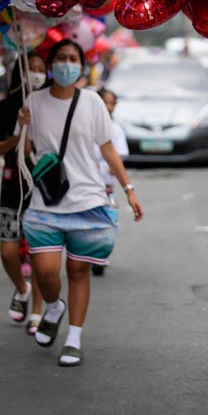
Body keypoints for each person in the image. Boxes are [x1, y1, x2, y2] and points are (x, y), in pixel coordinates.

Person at [23, 39, 143, 367]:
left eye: (72, 58)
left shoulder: (92, 102)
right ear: (51, 64)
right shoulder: (33, 101)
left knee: (78, 270)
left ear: (81, 64)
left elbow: (107, 149)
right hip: (47, 200)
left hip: (88, 198)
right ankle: (53, 307)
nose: (66, 63)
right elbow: (25, 153)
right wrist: (21, 128)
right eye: (60, 58)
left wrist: (128, 189)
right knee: (46, 271)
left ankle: (74, 337)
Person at [0, 53, 47, 326]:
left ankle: (37, 310)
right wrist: (17, 133)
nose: (36, 74)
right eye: (30, 69)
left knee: (38, 252)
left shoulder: (50, 106)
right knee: (8, 252)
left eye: (40, 69)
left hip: (43, 187)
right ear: (19, 73)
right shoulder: (6, 107)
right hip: (12, 186)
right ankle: (23, 289)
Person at [93, 88, 129, 277]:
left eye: (111, 103)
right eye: (104, 102)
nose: (107, 107)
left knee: (106, 219)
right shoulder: (86, 125)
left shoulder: (116, 130)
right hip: (86, 183)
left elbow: (118, 156)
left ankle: (101, 253)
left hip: (105, 185)